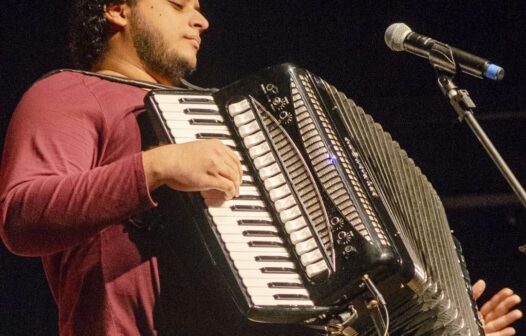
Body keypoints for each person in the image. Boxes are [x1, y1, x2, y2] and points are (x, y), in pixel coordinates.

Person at [0, 0, 522, 335]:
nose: (200, 19)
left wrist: (429, 322)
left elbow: (302, 291)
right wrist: (155, 166)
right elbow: (21, 217)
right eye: (179, 4)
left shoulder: (219, 116)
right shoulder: (67, 92)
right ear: (117, 9)